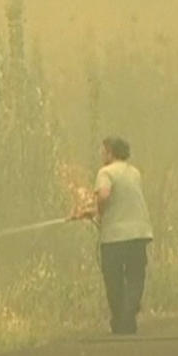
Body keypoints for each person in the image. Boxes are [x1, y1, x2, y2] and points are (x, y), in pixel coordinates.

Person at [71, 136, 153, 335]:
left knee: (113, 280)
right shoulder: (134, 172)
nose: (101, 154)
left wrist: (97, 212)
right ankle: (128, 316)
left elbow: (105, 195)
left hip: (114, 236)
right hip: (139, 233)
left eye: (103, 151)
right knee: (135, 277)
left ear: (110, 152)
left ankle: (121, 320)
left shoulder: (105, 172)